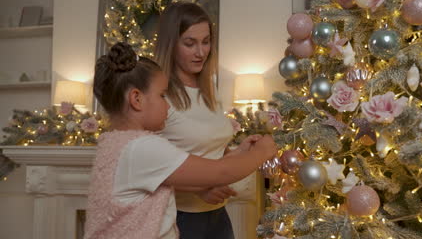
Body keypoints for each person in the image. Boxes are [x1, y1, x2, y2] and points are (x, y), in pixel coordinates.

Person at [84, 42, 278, 239]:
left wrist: (240, 153)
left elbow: (202, 170)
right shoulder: (143, 148)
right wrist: (261, 152)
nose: (167, 106)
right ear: (137, 99)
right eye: (162, 96)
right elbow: (220, 173)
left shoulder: (114, 144)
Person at [155, 2, 246, 238]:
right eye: (190, 43)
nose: (200, 52)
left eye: (206, 41)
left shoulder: (210, 91)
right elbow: (149, 169)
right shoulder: (158, 97)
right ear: (170, 44)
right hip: (179, 219)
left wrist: (243, 151)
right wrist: (199, 190)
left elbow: (213, 152)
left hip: (218, 217)